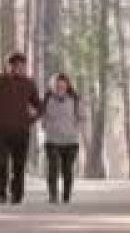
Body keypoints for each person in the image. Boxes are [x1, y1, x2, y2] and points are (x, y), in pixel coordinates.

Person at [0, 52, 42, 204]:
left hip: (22, 132)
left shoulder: (29, 84)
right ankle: (0, 194)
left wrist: (30, 120)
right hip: (2, 131)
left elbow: (39, 106)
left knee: (19, 165)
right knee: (1, 163)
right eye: (15, 65)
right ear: (9, 65)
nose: (18, 68)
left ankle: (17, 195)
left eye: (22, 65)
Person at [40, 73, 84, 204]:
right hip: (52, 140)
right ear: (53, 86)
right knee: (53, 167)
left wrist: (76, 128)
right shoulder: (47, 99)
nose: (60, 87)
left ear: (67, 85)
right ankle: (53, 195)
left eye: (63, 84)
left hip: (71, 141)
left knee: (67, 169)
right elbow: (42, 116)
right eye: (57, 84)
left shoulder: (75, 99)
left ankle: (66, 196)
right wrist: (45, 125)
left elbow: (82, 116)